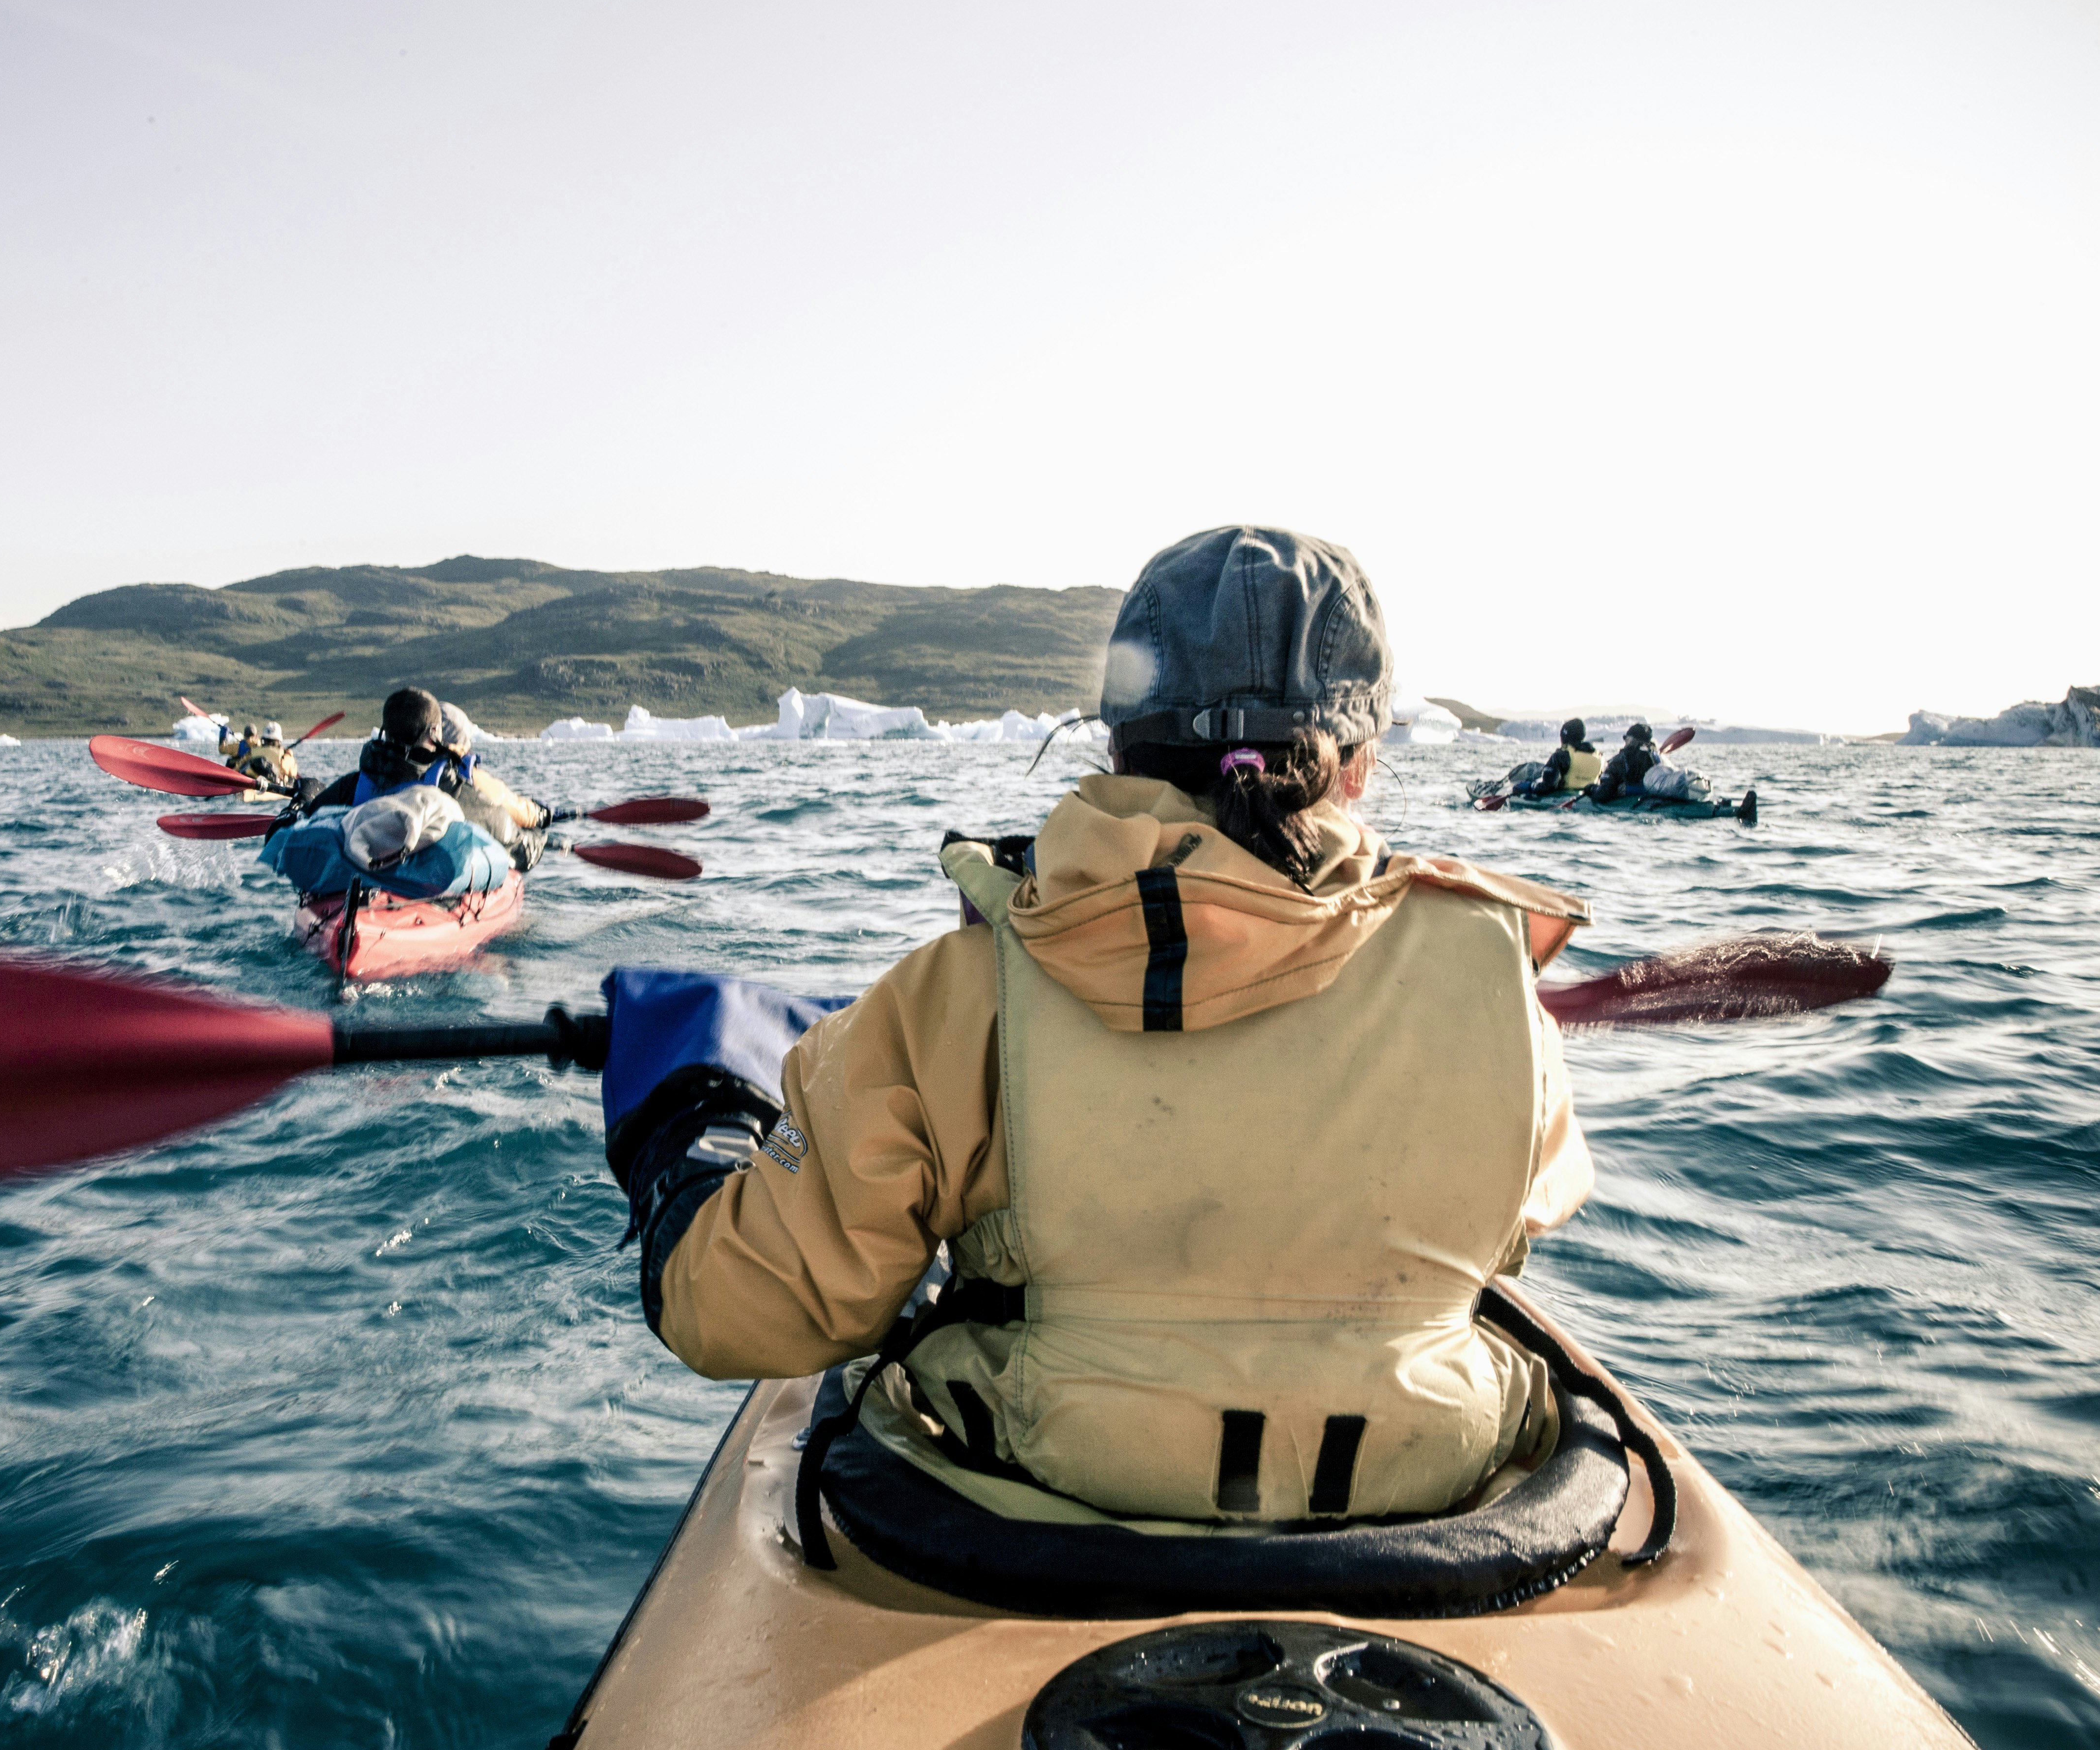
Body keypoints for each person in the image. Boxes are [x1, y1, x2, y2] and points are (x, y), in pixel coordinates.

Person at [597, 525, 1595, 1524]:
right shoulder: (1494, 974)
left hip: (1042, 1517)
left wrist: (684, 1144)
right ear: (1360, 764)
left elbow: (731, 1311)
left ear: (1117, 743)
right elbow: (1523, 1214)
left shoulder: (961, 994)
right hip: (1420, 1508)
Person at [305, 689, 551, 868]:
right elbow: (520, 850)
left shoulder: (351, 786)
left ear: (385, 732)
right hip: (424, 900)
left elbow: (295, 823)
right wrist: (540, 838)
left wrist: (305, 799)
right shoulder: (454, 792)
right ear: (435, 733)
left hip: (361, 880)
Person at [1528, 718, 1601, 798]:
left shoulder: (1561, 756)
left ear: (1565, 737)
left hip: (1563, 800)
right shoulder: (1598, 757)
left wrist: (1531, 786)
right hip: (1590, 799)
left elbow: (1547, 787)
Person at [1592, 722, 1659, 803]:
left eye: (1626, 737)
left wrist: (1591, 789)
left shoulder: (1620, 760)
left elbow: (1602, 795)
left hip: (1627, 805)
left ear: (1632, 739)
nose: (1625, 740)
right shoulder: (1658, 759)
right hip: (1655, 800)